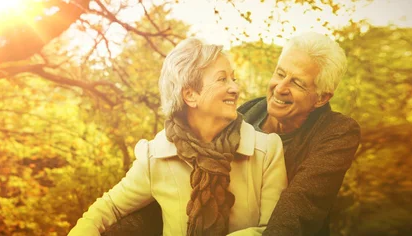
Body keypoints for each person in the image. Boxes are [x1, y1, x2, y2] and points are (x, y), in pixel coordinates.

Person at [68, 38, 287, 236]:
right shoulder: (155, 157)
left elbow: (278, 229)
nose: (235, 88)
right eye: (222, 79)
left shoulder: (266, 150)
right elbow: (107, 209)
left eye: (233, 78)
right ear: (190, 95)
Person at [237, 31, 361, 236]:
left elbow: (301, 203)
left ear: (321, 97)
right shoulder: (243, 115)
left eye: (297, 83)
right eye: (280, 73)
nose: (280, 88)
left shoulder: (337, 132)